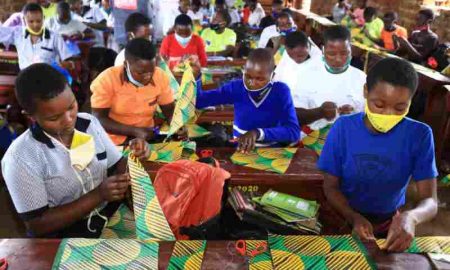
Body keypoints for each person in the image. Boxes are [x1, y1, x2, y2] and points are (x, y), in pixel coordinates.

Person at [1, 63, 150, 238]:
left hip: (109, 215)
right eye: (54, 117)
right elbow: (37, 224)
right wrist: (99, 195)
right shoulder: (21, 158)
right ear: (30, 116)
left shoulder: (88, 123)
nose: (68, 120)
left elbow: (117, 164)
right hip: (66, 235)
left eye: (71, 106)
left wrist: (135, 157)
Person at [319, 58, 438, 251]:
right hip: (341, 217)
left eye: (400, 108)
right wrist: (353, 217)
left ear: (411, 101)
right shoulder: (344, 128)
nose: (388, 115)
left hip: (388, 225)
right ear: (366, 92)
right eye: (379, 105)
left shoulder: (419, 135)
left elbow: (430, 201)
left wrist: (411, 217)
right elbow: (330, 186)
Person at [194, 48, 300, 152]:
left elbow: (293, 132)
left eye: (260, 79)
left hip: (271, 151)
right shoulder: (236, 87)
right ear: (244, 70)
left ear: (272, 75)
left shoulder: (281, 91)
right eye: (248, 76)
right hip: (239, 149)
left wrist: (258, 133)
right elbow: (199, 101)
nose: (252, 83)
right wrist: (196, 76)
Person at [91, 38, 175, 146]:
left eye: (151, 71)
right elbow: (99, 119)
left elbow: (169, 110)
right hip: (113, 143)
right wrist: (135, 131)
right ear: (126, 65)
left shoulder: (160, 76)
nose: (148, 76)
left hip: (147, 139)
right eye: (141, 73)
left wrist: (176, 124)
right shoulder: (106, 80)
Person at [294, 25, 366, 132]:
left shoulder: (362, 79)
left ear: (350, 50)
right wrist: (320, 112)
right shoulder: (307, 75)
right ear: (323, 50)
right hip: (312, 139)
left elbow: (371, 117)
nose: (338, 59)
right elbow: (294, 116)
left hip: (350, 136)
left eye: (344, 53)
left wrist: (353, 116)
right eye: (332, 54)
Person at [0, 3, 80, 70]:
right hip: (26, 77)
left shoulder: (55, 37)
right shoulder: (17, 33)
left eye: (38, 21)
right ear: (24, 20)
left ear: (43, 18)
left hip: (47, 76)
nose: (35, 25)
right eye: (31, 21)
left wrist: (68, 64)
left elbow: (70, 61)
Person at [273, 31, 322, 95]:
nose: (295, 59)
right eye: (290, 56)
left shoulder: (319, 60)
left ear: (307, 46)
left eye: (300, 55)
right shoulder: (288, 51)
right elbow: (277, 76)